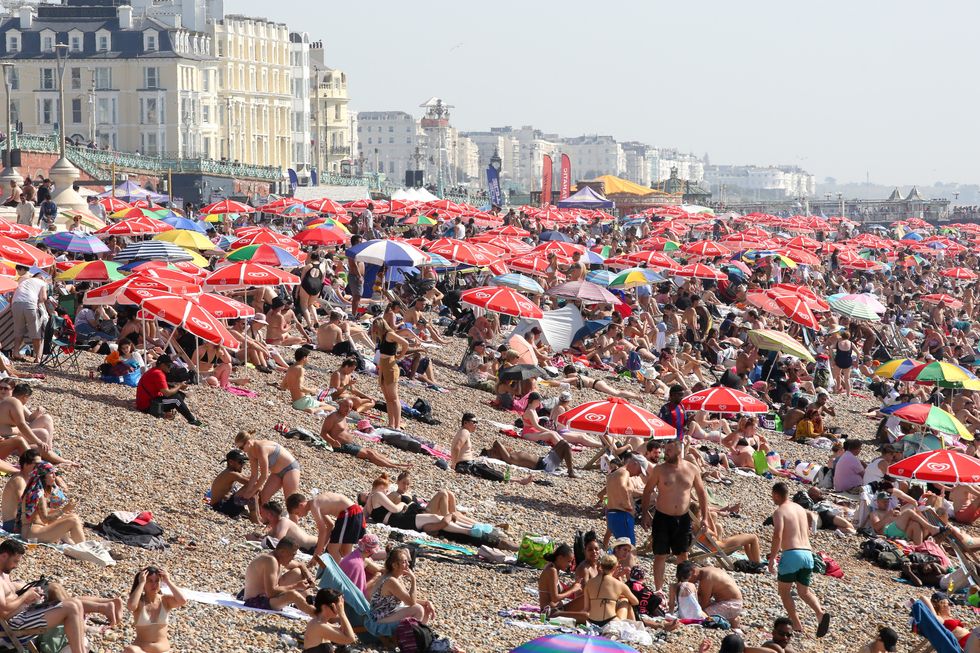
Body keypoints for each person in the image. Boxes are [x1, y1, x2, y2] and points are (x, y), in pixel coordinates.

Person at [641, 439, 714, 592]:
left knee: (682, 554)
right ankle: (659, 590)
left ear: (679, 450)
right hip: (662, 517)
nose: (665, 453)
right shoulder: (660, 469)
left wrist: (705, 518)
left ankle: (683, 587)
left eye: (669, 450)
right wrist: (645, 514)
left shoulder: (692, 469)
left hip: (683, 518)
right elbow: (647, 491)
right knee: (660, 555)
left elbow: (702, 494)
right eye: (665, 449)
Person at [0, 539, 87, 653]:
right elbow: (4, 609)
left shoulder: (4, 573)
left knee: (76, 604)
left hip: (23, 614)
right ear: (4, 556)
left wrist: (30, 593)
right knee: (70, 607)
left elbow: (10, 592)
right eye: (15, 561)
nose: (16, 566)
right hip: (14, 624)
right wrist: (26, 595)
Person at [768, 482, 830, 637]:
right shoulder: (801, 510)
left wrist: (772, 558)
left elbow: (778, 535)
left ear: (776, 495)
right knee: (804, 591)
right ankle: (820, 613)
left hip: (791, 554)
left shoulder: (779, 511)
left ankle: (796, 624)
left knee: (784, 591)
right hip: (808, 554)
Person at [320, 401, 410, 470]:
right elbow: (323, 432)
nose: (348, 409)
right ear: (340, 405)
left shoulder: (343, 417)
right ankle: (395, 467)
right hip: (341, 446)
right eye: (346, 406)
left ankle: (395, 463)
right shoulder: (333, 417)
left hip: (350, 444)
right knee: (369, 454)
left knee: (372, 451)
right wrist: (332, 442)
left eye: (350, 407)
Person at [242, 538, 316, 615]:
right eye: (292, 555)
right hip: (255, 601)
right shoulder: (270, 560)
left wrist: (309, 578)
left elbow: (301, 565)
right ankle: (317, 614)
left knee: (297, 572)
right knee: (293, 595)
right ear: (282, 552)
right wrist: (296, 586)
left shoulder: (279, 558)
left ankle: (311, 601)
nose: (293, 558)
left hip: (268, 597)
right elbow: (271, 592)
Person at [450, 413, 531, 483]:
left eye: (476, 422)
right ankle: (519, 481)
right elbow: (456, 448)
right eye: (474, 422)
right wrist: (454, 464)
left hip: (467, 464)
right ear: (465, 423)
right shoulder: (465, 432)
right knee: (494, 474)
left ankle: (517, 479)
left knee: (490, 471)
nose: (476, 424)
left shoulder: (462, 431)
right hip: (466, 465)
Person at [123, 566, 188, 653]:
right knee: (130, 650)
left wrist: (168, 581)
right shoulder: (139, 602)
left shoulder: (165, 600)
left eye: (157, 581)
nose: (154, 584)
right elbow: (131, 606)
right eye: (150, 581)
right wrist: (141, 583)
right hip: (142, 650)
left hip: (163, 650)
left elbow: (183, 600)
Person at [18, 461, 85, 544]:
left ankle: (78, 545)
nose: (54, 476)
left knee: (73, 516)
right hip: (32, 533)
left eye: (55, 473)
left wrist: (60, 510)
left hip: (31, 531)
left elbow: (39, 514)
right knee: (73, 520)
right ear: (43, 477)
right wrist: (63, 510)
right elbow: (45, 519)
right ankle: (83, 548)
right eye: (51, 473)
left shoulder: (36, 490)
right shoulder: (38, 494)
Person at [286, 491, 364, 562]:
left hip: (349, 513)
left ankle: (336, 574)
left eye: (297, 513)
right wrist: (323, 546)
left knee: (332, 549)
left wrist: (317, 554)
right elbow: (330, 525)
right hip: (355, 513)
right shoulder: (317, 503)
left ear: (301, 505)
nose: (299, 516)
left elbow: (322, 531)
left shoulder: (314, 505)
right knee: (345, 552)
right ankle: (357, 568)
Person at [368, 546, 435, 626]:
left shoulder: (397, 577)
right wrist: (413, 580)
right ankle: (409, 636)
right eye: (404, 562)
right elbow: (411, 602)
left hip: (390, 612)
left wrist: (426, 602)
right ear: (394, 565)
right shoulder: (391, 580)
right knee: (418, 609)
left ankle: (419, 634)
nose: (408, 564)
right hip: (379, 619)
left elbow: (406, 599)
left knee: (425, 608)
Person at [234, 430, 301, 506]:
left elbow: (264, 476)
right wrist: (246, 493)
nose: (241, 450)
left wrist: (251, 493)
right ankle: (265, 517)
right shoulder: (250, 451)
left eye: (241, 447)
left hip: (290, 469)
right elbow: (254, 475)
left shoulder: (261, 448)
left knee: (290, 503)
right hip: (276, 473)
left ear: (248, 442)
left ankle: (291, 517)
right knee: (263, 498)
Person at [135, 356, 203, 426]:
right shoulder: (158, 374)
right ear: (162, 365)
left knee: (180, 394)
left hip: (148, 400)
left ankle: (165, 412)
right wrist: (179, 386)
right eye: (169, 365)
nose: (170, 367)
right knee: (177, 400)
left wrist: (178, 387)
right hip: (147, 405)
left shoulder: (154, 370)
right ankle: (192, 420)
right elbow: (167, 393)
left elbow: (162, 387)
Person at [675, 561, 744, 627]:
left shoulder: (707, 578)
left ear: (693, 571)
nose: (688, 582)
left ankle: (731, 620)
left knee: (701, 617)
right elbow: (700, 596)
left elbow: (703, 604)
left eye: (687, 579)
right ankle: (731, 618)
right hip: (731, 602)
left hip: (733, 604)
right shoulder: (706, 571)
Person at [583, 554, 638, 627]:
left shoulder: (589, 583)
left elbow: (586, 608)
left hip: (592, 621)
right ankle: (633, 628)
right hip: (611, 621)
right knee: (625, 601)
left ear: (601, 566)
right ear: (615, 567)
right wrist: (619, 597)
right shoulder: (619, 584)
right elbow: (635, 602)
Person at [605, 454, 647, 545]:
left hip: (613, 514)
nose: (638, 474)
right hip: (622, 516)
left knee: (622, 548)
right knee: (630, 549)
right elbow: (622, 486)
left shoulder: (615, 473)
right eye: (640, 470)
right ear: (635, 463)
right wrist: (628, 505)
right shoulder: (625, 472)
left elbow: (622, 490)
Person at [10, 268, 47, 364]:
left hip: (16, 304)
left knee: (19, 330)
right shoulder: (42, 283)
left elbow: (12, 297)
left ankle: (16, 352)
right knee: (36, 331)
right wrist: (38, 303)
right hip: (30, 304)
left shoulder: (25, 281)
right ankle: (37, 357)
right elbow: (43, 298)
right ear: (41, 278)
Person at [209, 449, 257, 522]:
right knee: (252, 488)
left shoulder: (230, 472)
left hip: (224, 505)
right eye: (240, 462)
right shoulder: (231, 474)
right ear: (231, 462)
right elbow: (253, 484)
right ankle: (255, 518)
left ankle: (257, 515)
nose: (243, 464)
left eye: (244, 462)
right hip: (221, 507)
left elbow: (251, 478)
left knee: (253, 487)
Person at [303, 588, 356, 653]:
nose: (339, 608)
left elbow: (344, 631)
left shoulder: (321, 623)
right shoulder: (319, 626)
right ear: (324, 607)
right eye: (337, 606)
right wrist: (342, 613)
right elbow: (350, 638)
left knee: (345, 650)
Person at [279, 348, 327, 414]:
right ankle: (313, 410)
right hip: (303, 402)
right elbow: (300, 388)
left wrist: (294, 388)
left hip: (295, 403)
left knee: (322, 402)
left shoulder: (290, 368)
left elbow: (283, 386)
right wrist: (313, 390)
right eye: (308, 357)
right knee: (332, 407)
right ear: (304, 358)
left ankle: (314, 408)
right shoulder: (300, 369)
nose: (308, 359)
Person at [1, 449, 40, 531]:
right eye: (36, 464)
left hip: (20, 521)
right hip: (12, 524)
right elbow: (25, 504)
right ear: (26, 464)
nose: (40, 467)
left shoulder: (29, 479)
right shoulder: (19, 480)